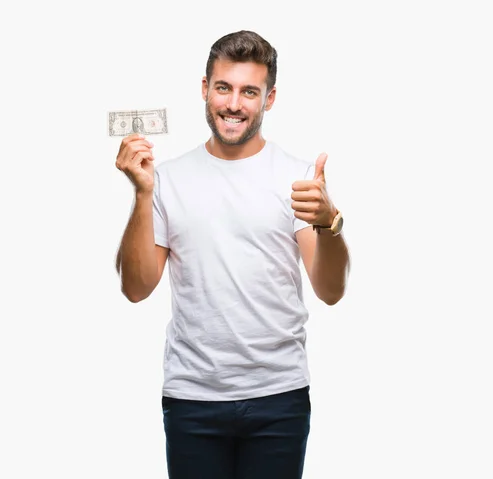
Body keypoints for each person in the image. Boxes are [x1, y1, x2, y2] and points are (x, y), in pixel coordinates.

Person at [114, 30, 350, 479]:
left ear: (269, 98)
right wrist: (142, 194)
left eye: (249, 91)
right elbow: (136, 287)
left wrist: (329, 222)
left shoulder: (297, 177)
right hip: (192, 399)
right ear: (205, 89)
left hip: (278, 396)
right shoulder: (168, 179)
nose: (234, 104)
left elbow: (331, 290)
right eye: (223, 88)